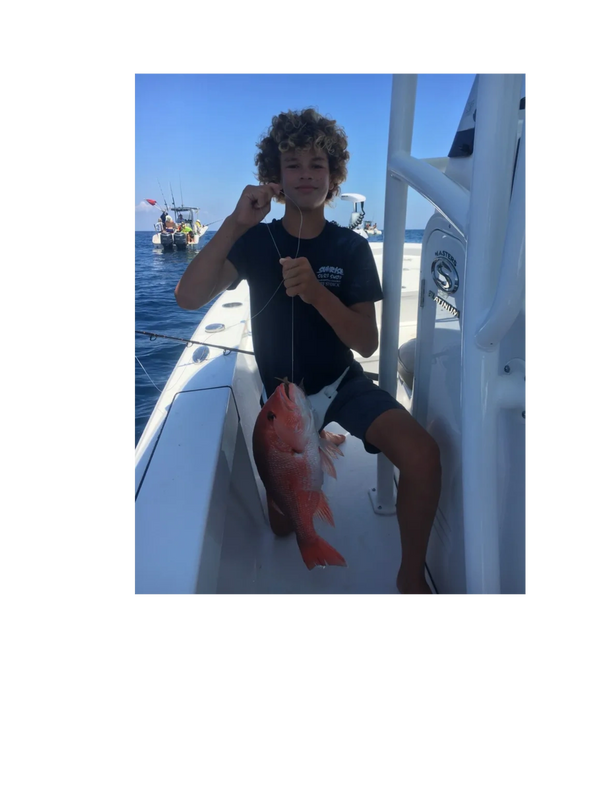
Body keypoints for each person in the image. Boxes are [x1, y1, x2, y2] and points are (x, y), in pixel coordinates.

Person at [174, 107, 441, 597]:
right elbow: (188, 298)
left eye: (317, 164)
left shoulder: (351, 248)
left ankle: (409, 575)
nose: (304, 174)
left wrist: (319, 294)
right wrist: (235, 224)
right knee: (283, 526)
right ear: (274, 176)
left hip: (341, 383)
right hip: (281, 408)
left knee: (422, 454)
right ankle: (318, 438)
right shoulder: (256, 241)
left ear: (334, 177)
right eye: (292, 163)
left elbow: (366, 342)